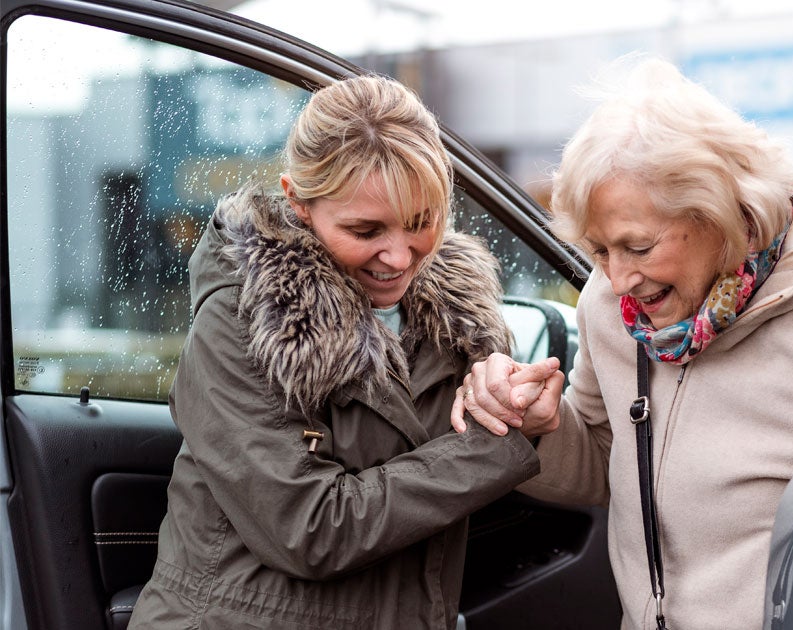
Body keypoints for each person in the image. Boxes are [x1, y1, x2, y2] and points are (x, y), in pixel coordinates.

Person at [451, 58, 793, 629]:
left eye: (638, 248)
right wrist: (544, 426)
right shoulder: (611, 307)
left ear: (724, 211)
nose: (617, 281)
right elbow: (608, 461)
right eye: (599, 250)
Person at [129, 75, 539, 629]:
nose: (398, 256)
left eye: (421, 223)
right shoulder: (242, 319)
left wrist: (515, 401)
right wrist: (494, 444)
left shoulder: (459, 321)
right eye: (365, 229)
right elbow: (311, 529)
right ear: (298, 201)